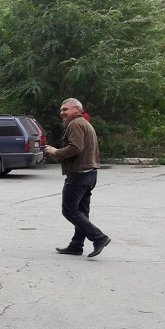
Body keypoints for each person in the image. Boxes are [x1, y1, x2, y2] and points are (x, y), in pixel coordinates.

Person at [44, 98, 111, 258]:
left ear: (76, 109)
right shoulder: (83, 123)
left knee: (69, 210)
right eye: (61, 110)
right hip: (89, 173)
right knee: (81, 211)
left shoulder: (75, 124)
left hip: (79, 175)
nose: (62, 112)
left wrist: (56, 152)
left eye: (65, 109)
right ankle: (76, 245)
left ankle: (99, 237)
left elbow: (75, 148)